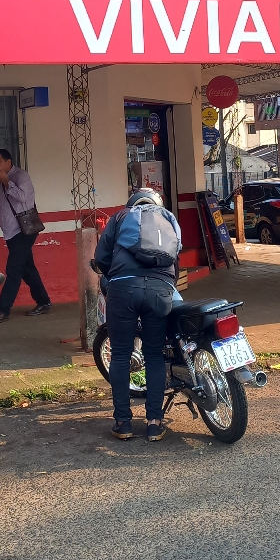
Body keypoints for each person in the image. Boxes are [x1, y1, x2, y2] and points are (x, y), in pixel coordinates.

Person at [93, 188, 182, 442]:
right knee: (154, 355)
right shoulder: (169, 219)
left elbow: (101, 257)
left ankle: (123, 423)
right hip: (160, 291)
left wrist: (115, 274)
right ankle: (154, 423)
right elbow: (176, 255)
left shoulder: (121, 217)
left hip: (123, 289)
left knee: (121, 354)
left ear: (131, 203)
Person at [0, 148, 51, 322]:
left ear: (8, 162)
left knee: (13, 269)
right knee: (27, 269)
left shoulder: (21, 176)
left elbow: (24, 198)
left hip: (24, 230)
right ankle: (44, 302)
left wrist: (6, 181)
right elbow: (1, 205)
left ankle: (3, 310)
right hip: (10, 232)